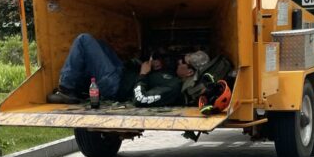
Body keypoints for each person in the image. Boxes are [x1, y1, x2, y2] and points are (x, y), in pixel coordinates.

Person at [46, 33, 209, 107]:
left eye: (183, 62)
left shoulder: (173, 88)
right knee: (100, 43)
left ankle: (66, 89)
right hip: (121, 73)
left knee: (84, 40)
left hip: (115, 87)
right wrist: (149, 67)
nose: (178, 62)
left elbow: (140, 99)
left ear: (189, 72)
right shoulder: (172, 75)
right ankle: (81, 86)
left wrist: (143, 75)